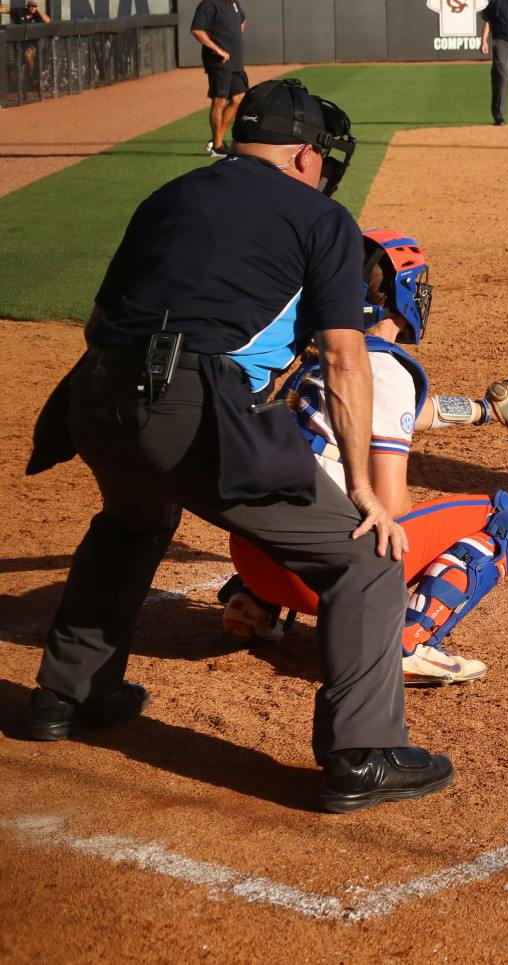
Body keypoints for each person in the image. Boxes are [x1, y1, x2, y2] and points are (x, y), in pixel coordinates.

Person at [23, 78, 455, 813]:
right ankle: (362, 753)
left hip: (92, 393)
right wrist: (358, 488)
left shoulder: (169, 195)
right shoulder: (320, 218)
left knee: (134, 517)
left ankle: (67, 695)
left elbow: (100, 324)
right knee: (364, 556)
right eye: (319, 152)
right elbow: (346, 360)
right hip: (189, 400)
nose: (322, 164)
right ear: (299, 155)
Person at [217, 227, 508, 688]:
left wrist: (485, 411)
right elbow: (390, 503)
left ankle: (253, 604)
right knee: (502, 518)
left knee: (313, 467)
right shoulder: (383, 372)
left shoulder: (317, 356)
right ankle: (407, 640)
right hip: (316, 578)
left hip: (253, 557)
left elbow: (389, 414)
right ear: (403, 296)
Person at [189, 0, 249, 158]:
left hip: (236, 61)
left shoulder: (233, 1)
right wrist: (218, 49)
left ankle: (218, 140)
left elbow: (242, 20)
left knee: (239, 99)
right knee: (219, 100)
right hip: (219, 62)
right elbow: (197, 30)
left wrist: (234, 36)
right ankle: (217, 145)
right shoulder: (209, 4)